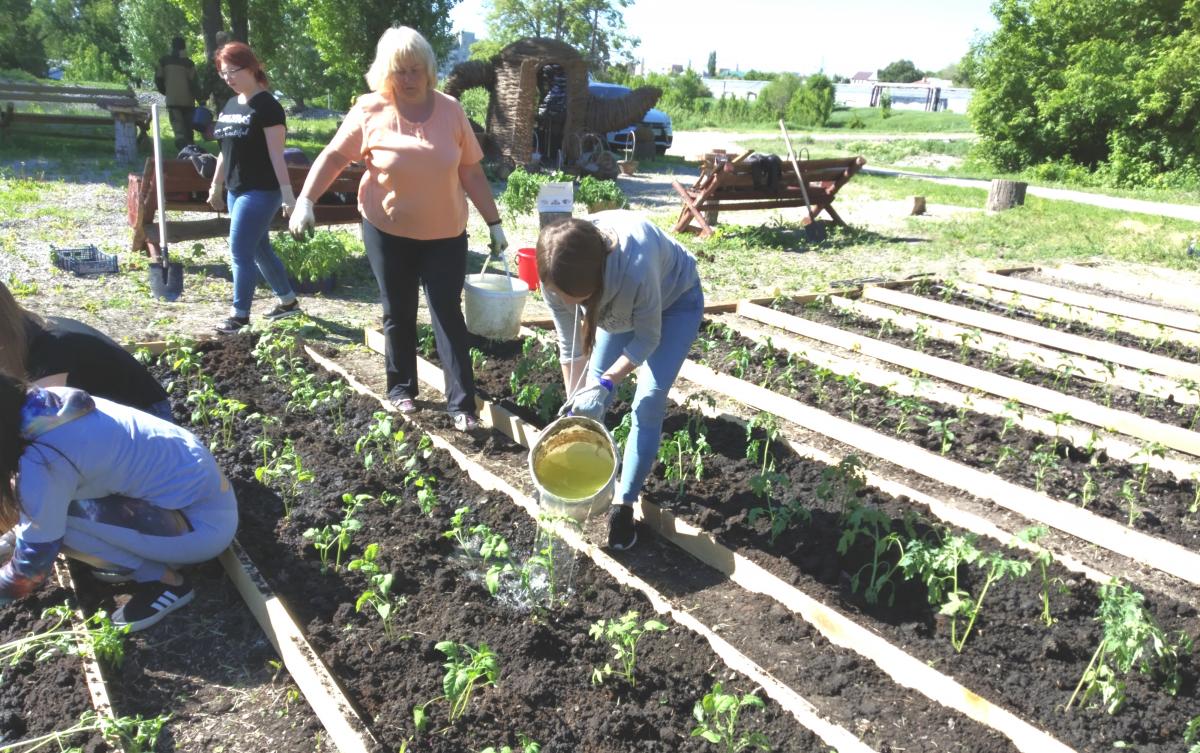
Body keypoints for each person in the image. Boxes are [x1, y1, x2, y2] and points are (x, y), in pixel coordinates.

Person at [289, 26, 507, 433]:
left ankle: (462, 405)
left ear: (428, 71)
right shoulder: (370, 110)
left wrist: (494, 223)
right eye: (398, 71)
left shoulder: (450, 111)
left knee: (447, 312)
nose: (407, 79)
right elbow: (334, 156)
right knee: (398, 309)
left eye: (414, 70)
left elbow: (471, 172)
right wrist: (305, 200)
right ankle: (401, 387)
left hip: (445, 233)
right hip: (386, 229)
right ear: (385, 73)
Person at [0, 374, 238, 631]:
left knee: (57, 524)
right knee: (45, 507)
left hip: (201, 529)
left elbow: (30, 567)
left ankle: (165, 583)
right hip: (209, 500)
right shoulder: (47, 405)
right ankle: (149, 555)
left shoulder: (43, 460)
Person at [537, 212, 704, 551]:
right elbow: (570, 345)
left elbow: (646, 340)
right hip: (615, 310)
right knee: (585, 405)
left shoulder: (636, 267)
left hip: (674, 304)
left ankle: (623, 505)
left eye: (577, 299)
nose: (569, 305)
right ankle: (575, 485)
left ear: (595, 280)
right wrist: (577, 408)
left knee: (648, 401)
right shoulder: (556, 273)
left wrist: (609, 381)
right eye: (563, 297)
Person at [207, 41, 302, 335]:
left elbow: (277, 154)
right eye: (223, 74)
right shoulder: (230, 104)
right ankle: (288, 302)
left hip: (262, 190)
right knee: (259, 248)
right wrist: (216, 185)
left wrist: (288, 197)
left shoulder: (268, 107)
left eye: (233, 71)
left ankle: (239, 316)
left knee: (239, 250)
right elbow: (225, 149)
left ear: (251, 67)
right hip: (236, 189)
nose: (228, 78)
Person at [0, 281, 171, 421]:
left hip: (149, 418)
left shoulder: (51, 348)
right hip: (101, 418)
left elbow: (41, 419)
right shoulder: (29, 330)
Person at [155, 36, 202, 150]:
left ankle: (181, 143)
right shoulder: (189, 63)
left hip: (172, 99)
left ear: (172, 46)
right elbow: (194, 83)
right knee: (188, 126)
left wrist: (166, 91)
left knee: (177, 125)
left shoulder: (164, 61)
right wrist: (201, 98)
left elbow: (158, 79)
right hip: (188, 101)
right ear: (184, 48)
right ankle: (191, 148)